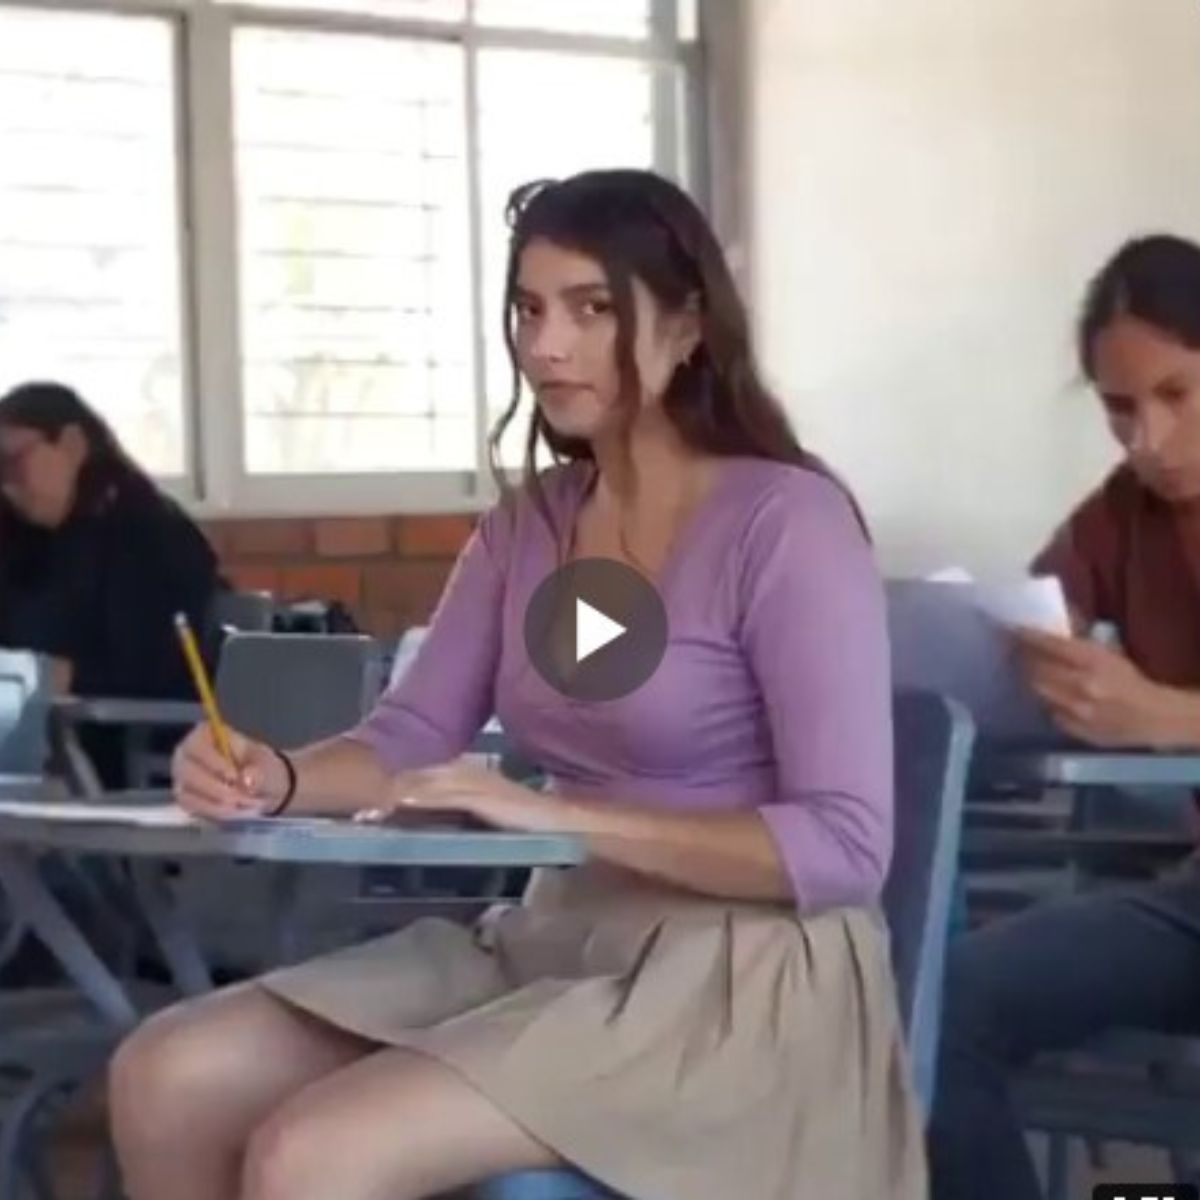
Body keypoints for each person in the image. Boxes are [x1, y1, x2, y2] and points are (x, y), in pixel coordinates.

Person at [109, 169, 925, 1200]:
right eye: (529, 310)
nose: (546, 346)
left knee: (311, 1154)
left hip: (742, 984)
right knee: (166, 1074)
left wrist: (561, 814)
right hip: (554, 941)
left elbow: (845, 846)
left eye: (591, 309)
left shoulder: (788, 522)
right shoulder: (530, 524)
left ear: (686, 328)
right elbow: (407, 738)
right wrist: (272, 775)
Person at [929, 233, 1200, 1200]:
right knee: (937, 1005)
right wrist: (1024, 659)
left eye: (1176, 394)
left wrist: (1171, 715)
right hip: (1190, 908)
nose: (1147, 439)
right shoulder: (1121, 515)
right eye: (1120, 408)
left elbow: (1162, 717)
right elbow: (1030, 621)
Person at [0, 382, 223, 784]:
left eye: (12, 463)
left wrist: (51, 676)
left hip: (124, 742)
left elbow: (151, 667)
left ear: (72, 445)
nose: (7, 485)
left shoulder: (150, 533)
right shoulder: (27, 539)